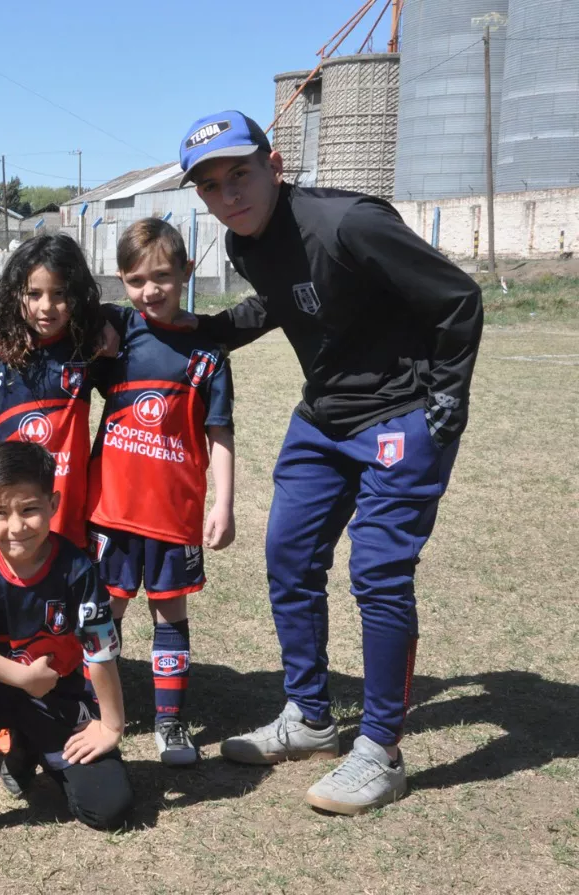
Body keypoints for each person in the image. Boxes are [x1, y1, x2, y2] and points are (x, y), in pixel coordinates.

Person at [178, 110, 483, 813]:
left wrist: (448, 398)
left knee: (377, 573)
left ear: (275, 165)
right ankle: (310, 717)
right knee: (287, 554)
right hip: (324, 417)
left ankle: (380, 749)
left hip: (401, 412)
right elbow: (282, 304)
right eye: (212, 185)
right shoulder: (244, 243)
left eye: (240, 174)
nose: (230, 194)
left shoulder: (350, 223)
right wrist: (211, 331)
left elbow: (458, 298)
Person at [0, 441, 132, 855]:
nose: (17, 526)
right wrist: (21, 677)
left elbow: (101, 652)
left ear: (53, 503)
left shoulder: (77, 569)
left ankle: (26, 748)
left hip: (55, 697)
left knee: (109, 808)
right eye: (0, 512)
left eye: (29, 509)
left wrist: (111, 726)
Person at [86, 217, 236, 768]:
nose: (150, 290)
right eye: (135, 280)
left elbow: (219, 432)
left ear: (187, 272)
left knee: (169, 613)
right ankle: (95, 708)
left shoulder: (209, 354)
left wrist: (223, 503)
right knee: (108, 609)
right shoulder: (119, 334)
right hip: (112, 509)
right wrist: (104, 316)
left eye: (163, 277)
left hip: (173, 515)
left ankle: (169, 723)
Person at [0, 233, 109, 548]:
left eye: (59, 294)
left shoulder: (88, 344)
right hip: (5, 503)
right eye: (34, 293)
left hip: (64, 506)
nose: (46, 307)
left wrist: (111, 322)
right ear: (15, 294)